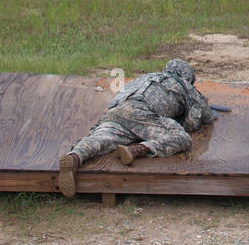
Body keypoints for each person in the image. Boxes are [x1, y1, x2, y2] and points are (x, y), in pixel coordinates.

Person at [58, 59, 215, 198]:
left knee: (101, 139)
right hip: (143, 114)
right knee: (181, 138)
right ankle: (137, 150)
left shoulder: (145, 77)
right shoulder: (184, 85)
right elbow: (206, 117)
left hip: (117, 111)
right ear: (187, 76)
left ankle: (74, 157)